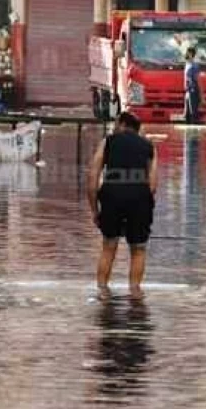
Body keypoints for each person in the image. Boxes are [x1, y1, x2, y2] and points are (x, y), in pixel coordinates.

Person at [87, 112, 158, 298]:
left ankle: (102, 291)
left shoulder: (108, 142)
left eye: (116, 124)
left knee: (109, 245)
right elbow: (153, 184)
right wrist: (143, 204)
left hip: (112, 196)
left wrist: (95, 209)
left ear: (122, 124)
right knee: (139, 248)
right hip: (139, 197)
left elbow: (92, 177)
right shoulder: (149, 146)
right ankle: (135, 291)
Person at [184, 46, 201, 124]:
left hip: (193, 91)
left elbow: (198, 80)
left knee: (193, 112)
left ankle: (194, 129)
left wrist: (201, 94)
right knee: (187, 111)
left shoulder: (194, 66)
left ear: (190, 54)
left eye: (187, 52)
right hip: (188, 91)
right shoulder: (187, 65)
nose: (185, 54)